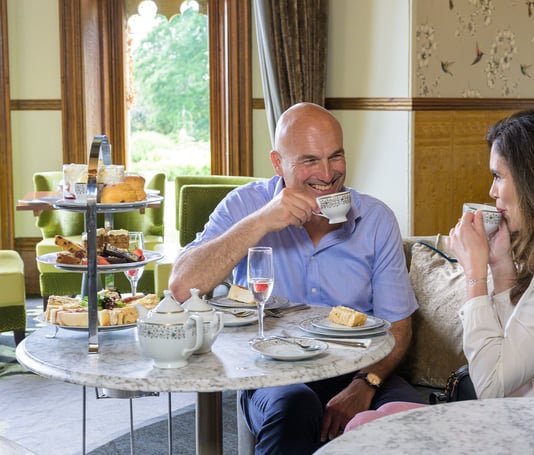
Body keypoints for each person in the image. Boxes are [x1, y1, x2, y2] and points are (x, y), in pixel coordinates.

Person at [345, 106, 534, 430]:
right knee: (374, 418)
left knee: (366, 427)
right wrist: (501, 267)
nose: (492, 192)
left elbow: (492, 383)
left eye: (498, 176)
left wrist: (475, 277)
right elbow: (518, 349)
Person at [168, 102, 425, 454]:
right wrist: (261, 222)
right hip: (270, 376)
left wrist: (364, 384)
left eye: (336, 157)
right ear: (278, 164)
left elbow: (398, 326)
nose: (328, 173)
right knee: (294, 409)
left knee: (413, 423)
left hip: (362, 371)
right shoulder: (246, 206)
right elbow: (182, 287)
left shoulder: (376, 220)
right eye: (309, 161)